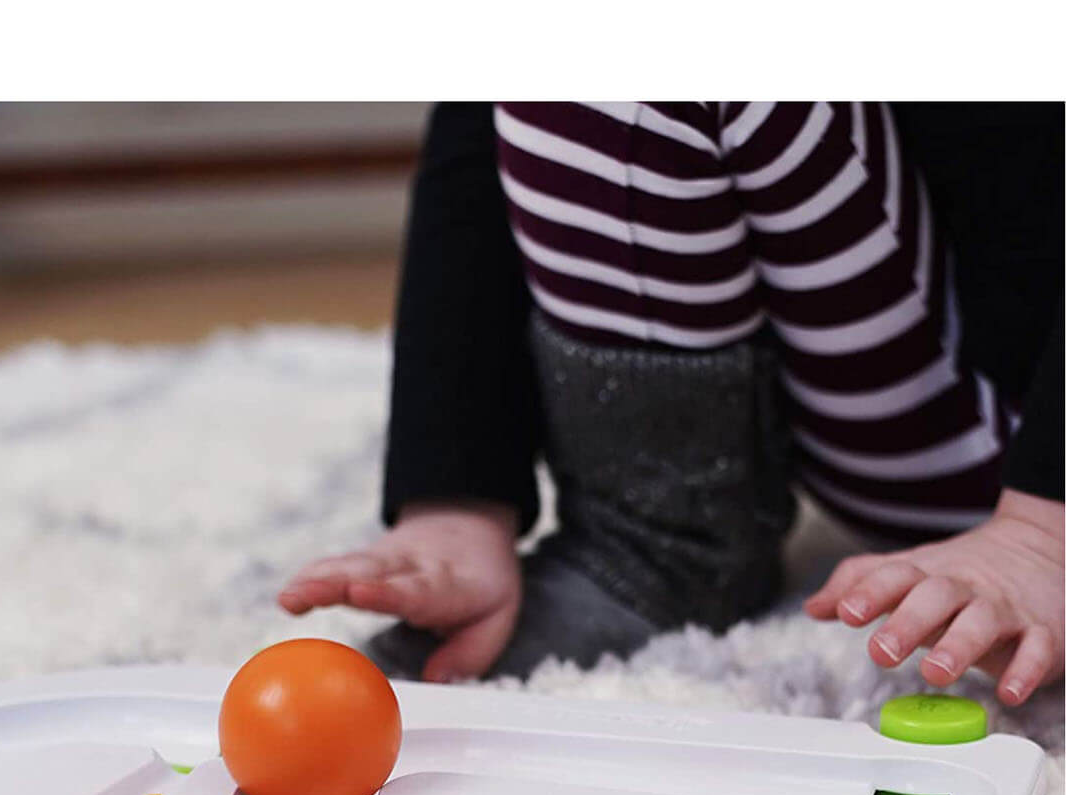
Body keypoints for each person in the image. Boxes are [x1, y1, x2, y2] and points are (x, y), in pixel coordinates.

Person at [279, 103, 1064, 705]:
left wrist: (1047, 526)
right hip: (905, 365)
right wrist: (457, 494)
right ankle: (666, 537)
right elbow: (475, 136)